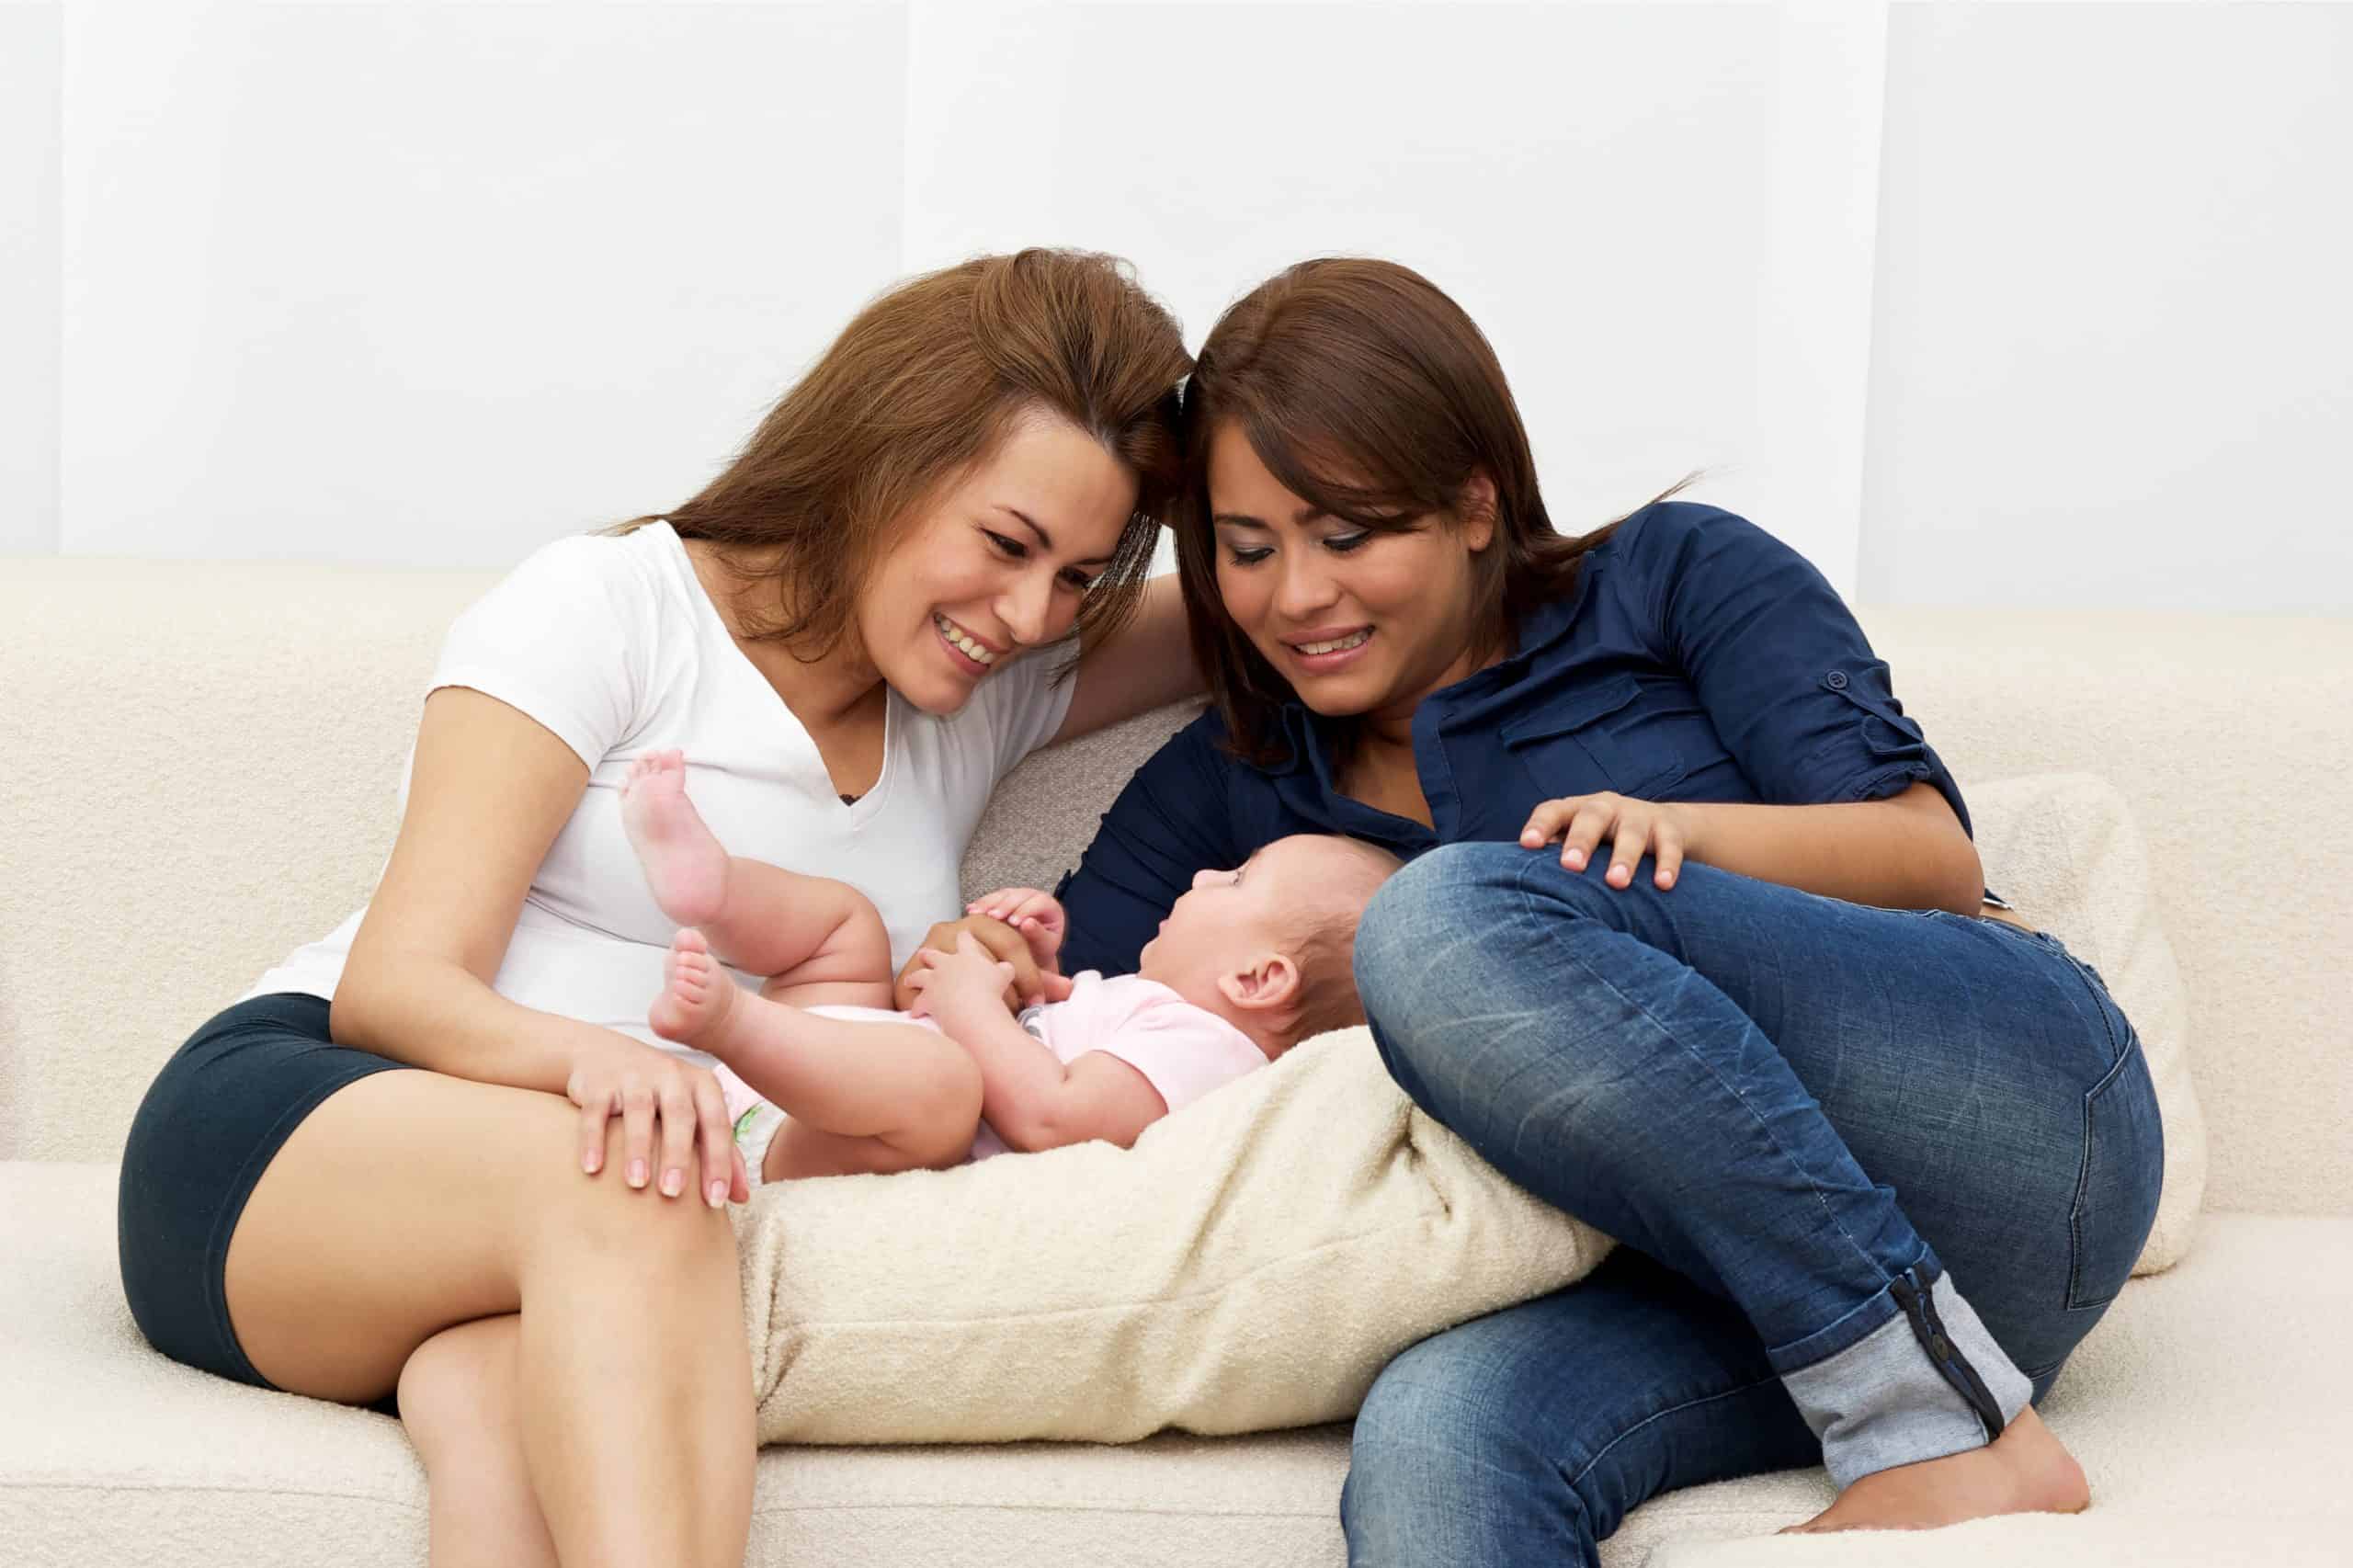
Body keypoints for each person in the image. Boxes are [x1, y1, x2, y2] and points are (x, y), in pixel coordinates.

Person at [910, 257, 2165, 1563]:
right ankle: (1922, 1386)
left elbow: (1933, 858)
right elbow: (1068, 1007)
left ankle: (1927, 1421)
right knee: (1439, 1434)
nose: (1297, 596)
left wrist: (1681, 837)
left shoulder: (1675, 577)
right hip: (1724, 1283)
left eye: (1349, 534)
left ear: (1471, 503)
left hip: (2012, 1121)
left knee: (1436, 920)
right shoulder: (1230, 781)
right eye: (1247, 548)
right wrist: (986, 957)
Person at [116, 248, 1199, 1568]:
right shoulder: (615, 606)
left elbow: (1287, 595)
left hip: (529, 1245)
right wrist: (616, 1067)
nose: (1029, 612)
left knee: (511, 1475)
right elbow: (397, 983)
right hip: (298, 1126)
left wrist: (1517, 576)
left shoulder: (979, 694)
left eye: (1079, 577)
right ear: (885, 457)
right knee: (651, 1181)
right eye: (1008, 543)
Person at [617, 744, 1399, 1179]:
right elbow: (1054, 1048)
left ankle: (727, 1021)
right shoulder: (1155, 1013)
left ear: (1258, 981)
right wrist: (1039, 964)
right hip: (835, 1061)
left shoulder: (1212, 1056)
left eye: (1234, 880)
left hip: (821, 1136)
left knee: (944, 1090)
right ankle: (711, 889)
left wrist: (971, 1007)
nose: (1200, 875)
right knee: (848, 924)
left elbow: (1055, 1118)